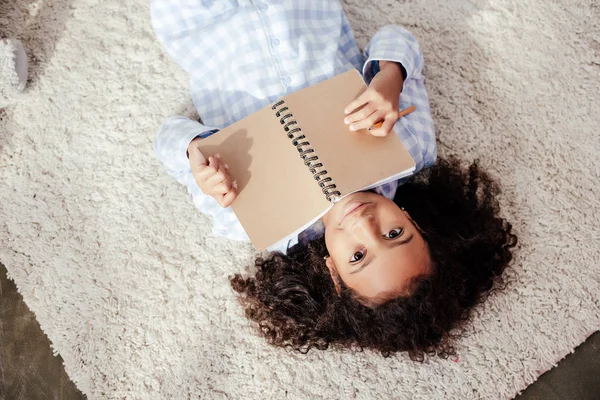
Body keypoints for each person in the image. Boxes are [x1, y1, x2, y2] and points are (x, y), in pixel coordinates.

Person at [151, 0, 517, 360]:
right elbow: (396, 37)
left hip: (198, 19)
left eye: (358, 256)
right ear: (414, 221)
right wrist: (391, 76)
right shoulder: (410, 148)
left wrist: (194, 152)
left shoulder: (252, 219)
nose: (364, 224)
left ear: (334, 274)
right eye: (394, 234)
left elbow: (168, 136)